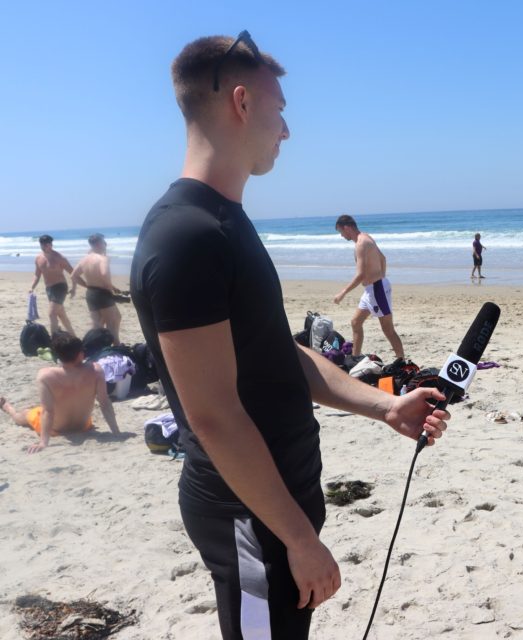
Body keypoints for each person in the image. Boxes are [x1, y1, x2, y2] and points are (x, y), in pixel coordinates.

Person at [130, 33, 448, 639]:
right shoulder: (187, 237)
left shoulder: (225, 222)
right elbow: (214, 415)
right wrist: (297, 538)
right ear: (242, 103)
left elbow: (279, 353)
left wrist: (386, 407)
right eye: (280, 110)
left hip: (278, 501)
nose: (287, 129)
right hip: (251, 516)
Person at [1, 332, 121, 454]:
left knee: (25, 415)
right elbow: (104, 402)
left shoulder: (46, 375)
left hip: (55, 430)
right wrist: (116, 432)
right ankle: (10, 408)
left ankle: (9, 409)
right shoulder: (96, 370)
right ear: (80, 354)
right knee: (39, 409)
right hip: (83, 426)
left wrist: (43, 442)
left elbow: (48, 411)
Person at [333, 215, 405, 359]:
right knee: (355, 322)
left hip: (377, 290)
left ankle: (401, 360)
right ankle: (355, 358)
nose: (341, 236)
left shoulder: (361, 243)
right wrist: (380, 277)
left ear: (347, 227)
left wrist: (343, 292)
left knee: (388, 329)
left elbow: (360, 275)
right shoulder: (366, 238)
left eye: (341, 232)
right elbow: (383, 259)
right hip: (371, 290)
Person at [72, 233, 122, 345]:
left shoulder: (84, 259)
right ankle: (116, 348)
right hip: (103, 293)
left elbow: (73, 276)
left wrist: (87, 285)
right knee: (112, 324)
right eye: (104, 243)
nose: (105, 245)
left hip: (91, 293)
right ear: (99, 243)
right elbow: (104, 274)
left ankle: (94, 348)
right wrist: (110, 288)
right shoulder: (102, 259)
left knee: (98, 324)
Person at [29, 234, 76, 336]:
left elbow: (73, 273)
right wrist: (32, 287)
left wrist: (74, 288)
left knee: (51, 313)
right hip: (49, 289)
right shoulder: (38, 258)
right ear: (40, 244)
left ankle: (54, 340)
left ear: (51, 244)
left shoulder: (59, 257)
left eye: (48, 244)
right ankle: (74, 336)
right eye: (43, 244)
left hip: (60, 287)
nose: (46, 246)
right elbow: (37, 275)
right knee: (61, 314)